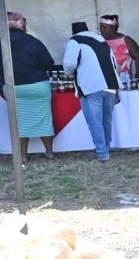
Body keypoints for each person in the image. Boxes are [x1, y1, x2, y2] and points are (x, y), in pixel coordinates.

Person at [62, 21, 120, 162]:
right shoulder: (101, 39)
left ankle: (102, 154)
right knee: (106, 121)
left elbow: (69, 63)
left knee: (95, 123)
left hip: (91, 86)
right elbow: (114, 63)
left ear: (73, 31)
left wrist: (68, 72)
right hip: (111, 85)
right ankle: (106, 149)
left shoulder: (74, 40)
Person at [1, 12, 55, 161]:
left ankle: (23, 156)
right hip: (37, 86)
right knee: (44, 120)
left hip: (13, 88)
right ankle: (49, 153)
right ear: (23, 25)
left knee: (19, 122)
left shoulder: (2, 43)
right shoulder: (33, 42)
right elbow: (48, 63)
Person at [98, 15, 139, 83]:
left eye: (105, 27)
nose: (102, 30)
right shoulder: (98, 40)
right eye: (101, 27)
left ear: (113, 27)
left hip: (123, 81)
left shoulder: (125, 40)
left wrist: (138, 76)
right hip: (102, 82)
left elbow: (138, 56)